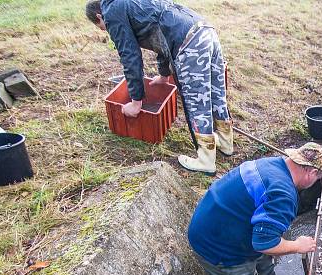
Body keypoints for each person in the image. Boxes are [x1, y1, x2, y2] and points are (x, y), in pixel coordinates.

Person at [86, 0, 231, 174]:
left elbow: (130, 56)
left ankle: (206, 160)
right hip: (205, 29)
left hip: (189, 42)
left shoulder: (111, 10)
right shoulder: (133, 3)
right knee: (217, 92)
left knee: (197, 101)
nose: (107, 29)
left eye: (103, 27)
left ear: (99, 16)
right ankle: (225, 141)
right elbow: (161, 31)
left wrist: (136, 101)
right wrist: (163, 76)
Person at [187, 142, 322, 275]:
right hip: (218, 247)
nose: (315, 182)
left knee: (264, 261)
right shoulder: (283, 194)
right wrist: (297, 246)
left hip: (214, 221)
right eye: (318, 178)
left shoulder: (271, 164)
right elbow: (265, 244)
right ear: (312, 172)